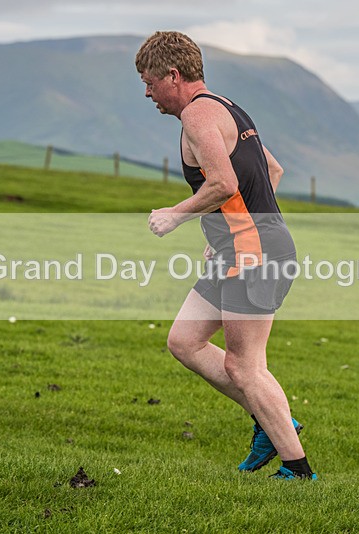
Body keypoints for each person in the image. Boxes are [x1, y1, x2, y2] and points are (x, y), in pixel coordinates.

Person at [136, 31, 315, 480]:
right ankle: (272, 422)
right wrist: (227, 228)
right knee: (184, 341)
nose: (147, 92)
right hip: (241, 246)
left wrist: (176, 215)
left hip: (256, 254)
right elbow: (273, 169)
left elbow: (224, 183)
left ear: (172, 75)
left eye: (149, 81)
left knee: (244, 364)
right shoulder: (226, 105)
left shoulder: (198, 116)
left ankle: (298, 470)